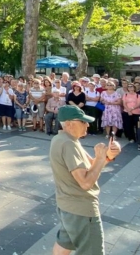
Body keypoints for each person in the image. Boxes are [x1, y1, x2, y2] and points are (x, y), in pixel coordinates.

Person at [50, 105, 120, 255]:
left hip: (68, 206)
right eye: (83, 121)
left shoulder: (63, 139)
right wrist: (100, 158)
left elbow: (91, 166)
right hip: (81, 209)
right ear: (69, 124)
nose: (87, 125)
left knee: (64, 245)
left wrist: (108, 156)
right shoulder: (69, 144)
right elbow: (86, 182)